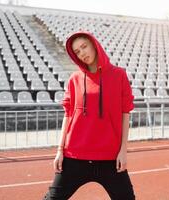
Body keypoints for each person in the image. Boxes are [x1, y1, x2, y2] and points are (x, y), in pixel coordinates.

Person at [43, 31, 135, 200]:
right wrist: (59, 150)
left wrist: (123, 151)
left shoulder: (119, 75)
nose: (82, 53)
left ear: (94, 45)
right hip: (75, 156)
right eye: (77, 51)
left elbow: (125, 114)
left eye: (84, 47)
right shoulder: (74, 79)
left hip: (110, 158)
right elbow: (68, 116)